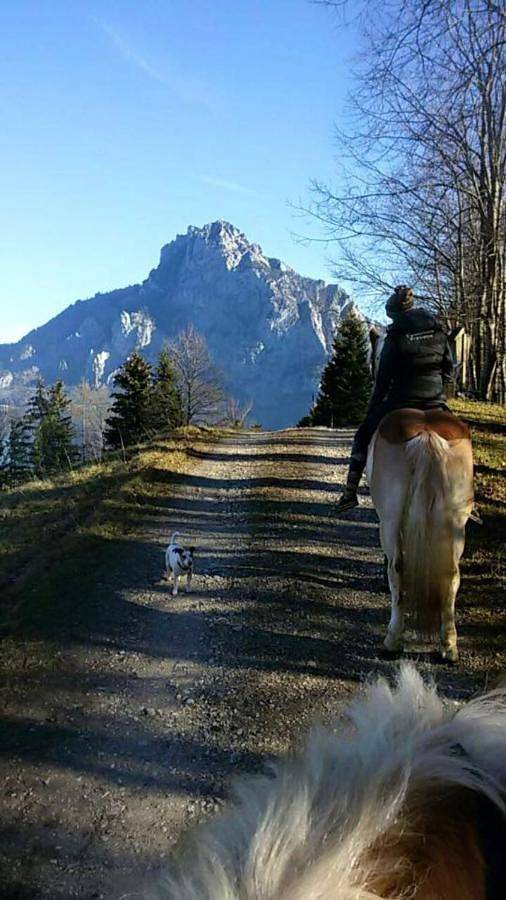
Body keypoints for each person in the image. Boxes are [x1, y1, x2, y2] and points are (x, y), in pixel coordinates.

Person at [335, 284, 455, 513]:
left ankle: (350, 492)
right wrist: (439, 387)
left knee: (362, 434)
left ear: (394, 313)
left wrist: (372, 410)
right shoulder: (438, 330)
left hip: (402, 401)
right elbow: (449, 369)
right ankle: (468, 496)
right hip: (435, 401)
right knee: (461, 439)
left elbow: (383, 381)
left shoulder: (395, 337)